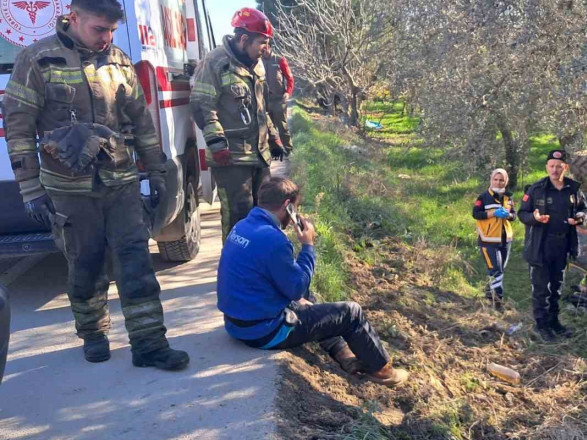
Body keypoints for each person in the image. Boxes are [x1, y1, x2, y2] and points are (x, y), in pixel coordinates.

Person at [2, 0, 188, 369]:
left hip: (120, 181)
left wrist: (157, 170)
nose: (106, 39)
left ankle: (149, 343)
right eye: (98, 30)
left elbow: (140, 121)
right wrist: (30, 189)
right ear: (73, 18)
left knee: (135, 261)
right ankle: (93, 333)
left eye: (112, 32)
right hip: (68, 190)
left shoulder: (118, 61)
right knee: (85, 265)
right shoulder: (36, 61)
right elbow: (19, 129)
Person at [216, 177, 409, 387]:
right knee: (350, 313)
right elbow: (298, 286)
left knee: (310, 300)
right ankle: (383, 371)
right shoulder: (273, 240)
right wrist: (307, 246)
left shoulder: (241, 226)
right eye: (295, 208)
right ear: (287, 206)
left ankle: (343, 353)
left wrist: (299, 298)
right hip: (263, 332)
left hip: (235, 324)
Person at [190, 7, 286, 241]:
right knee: (238, 218)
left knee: (263, 214)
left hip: (258, 156)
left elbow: (260, 108)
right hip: (231, 158)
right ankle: (236, 270)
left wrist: (273, 137)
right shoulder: (215, 63)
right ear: (244, 39)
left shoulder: (258, 64)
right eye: (262, 42)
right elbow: (202, 106)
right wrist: (217, 144)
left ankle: (258, 267)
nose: (266, 49)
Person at [518, 150, 587, 342]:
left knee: (557, 287)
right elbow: (522, 214)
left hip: (563, 244)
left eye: (559, 166)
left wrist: (580, 217)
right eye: (552, 166)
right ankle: (542, 326)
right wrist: (535, 217)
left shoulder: (573, 189)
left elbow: (583, 209)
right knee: (541, 288)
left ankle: (554, 322)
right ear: (547, 167)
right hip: (541, 244)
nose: (555, 170)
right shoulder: (536, 189)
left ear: (565, 168)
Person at [472, 169, 515, 310]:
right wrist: (493, 213)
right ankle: (498, 303)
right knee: (496, 271)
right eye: (495, 179)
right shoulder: (483, 197)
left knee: (499, 270)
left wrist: (508, 215)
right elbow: (476, 214)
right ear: (491, 180)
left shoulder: (509, 198)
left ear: (505, 181)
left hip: (505, 239)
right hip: (488, 240)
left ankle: (488, 297)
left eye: (501, 180)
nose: (498, 182)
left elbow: (514, 216)